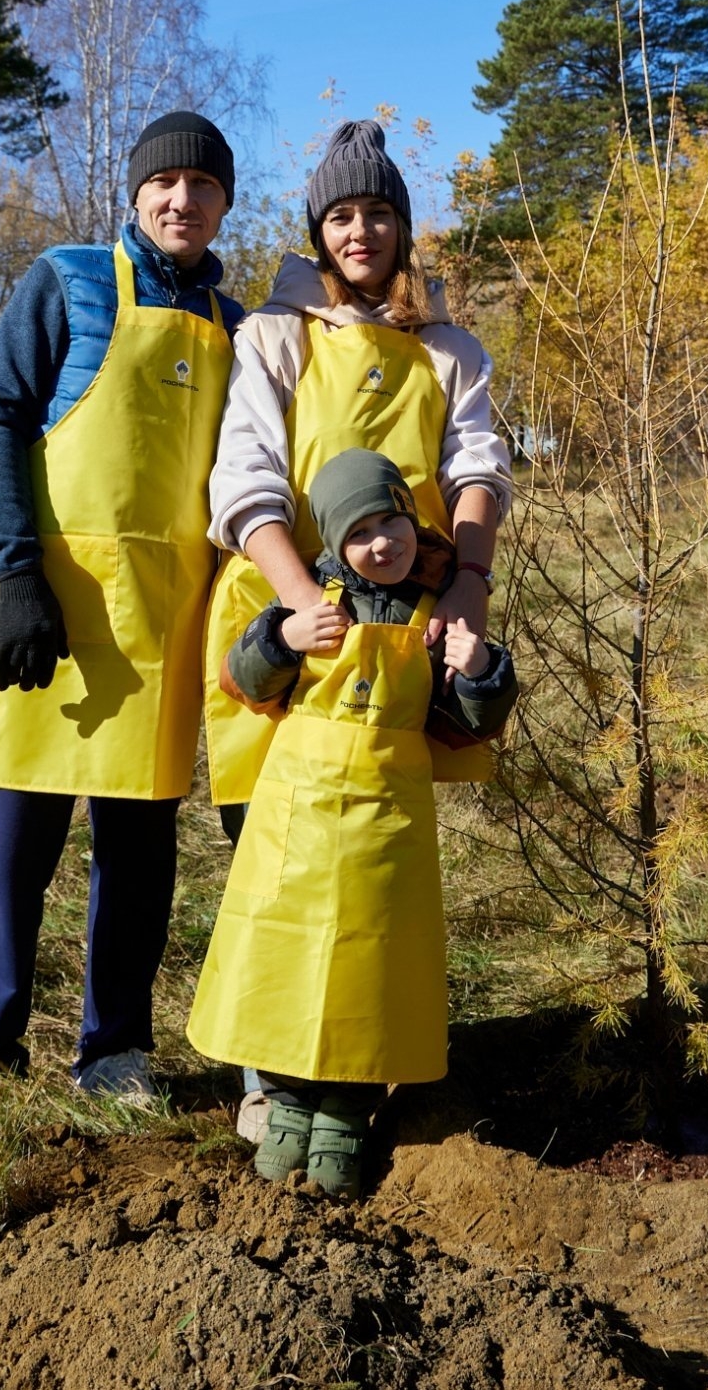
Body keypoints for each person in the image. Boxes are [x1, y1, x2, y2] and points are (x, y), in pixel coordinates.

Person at [200, 117, 514, 1137]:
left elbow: (478, 470)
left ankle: (362, 1062)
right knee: (271, 846)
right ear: (317, 228)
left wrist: (467, 582)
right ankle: (271, 1073)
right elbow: (245, 477)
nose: (361, 231)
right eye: (341, 214)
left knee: (377, 847)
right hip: (288, 611)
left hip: (406, 622)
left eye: (379, 212)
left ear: (404, 225)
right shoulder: (274, 334)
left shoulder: (450, 350)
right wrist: (300, 602)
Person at [0, 111, 243, 1122]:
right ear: (137, 191)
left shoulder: (236, 326)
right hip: (49, 610)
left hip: (165, 625)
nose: (181, 201)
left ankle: (115, 1052)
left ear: (223, 202)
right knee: (13, 843)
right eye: (165, 184)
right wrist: (17, 572)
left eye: (202, 187)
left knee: (140, 856)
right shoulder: (66, 279)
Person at [187, 448, 517, 1196]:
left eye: (393, 521)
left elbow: (465, 729)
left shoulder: (436, 620)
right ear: (334, 544)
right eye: (361, 530)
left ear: (413, 520)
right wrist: (281, 640)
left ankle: (346, 1113)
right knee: (285, 961)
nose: (383, 542)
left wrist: (482, 673)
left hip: (386, 828)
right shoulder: (310, 606)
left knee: (373, 967)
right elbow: (242, 681)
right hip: (294, 821)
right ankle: (290, 1106)